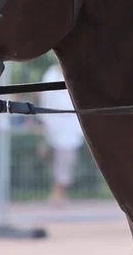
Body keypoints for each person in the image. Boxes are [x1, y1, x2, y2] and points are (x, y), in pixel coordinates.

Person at [38, 61, 85, 204]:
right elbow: (45, 99)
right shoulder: (51, 74)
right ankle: (56, 194)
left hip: (70, 125)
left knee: (65, 161)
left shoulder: (73, 73)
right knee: (60, 161)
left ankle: (58, 193)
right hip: (55, 123)